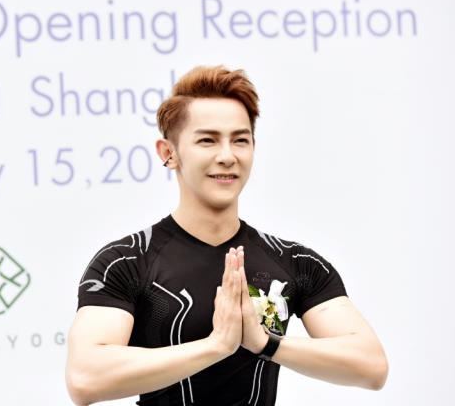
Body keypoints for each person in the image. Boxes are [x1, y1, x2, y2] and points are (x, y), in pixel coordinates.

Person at [65, 65, 388, 406]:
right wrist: (216, 345)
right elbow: (85, 379)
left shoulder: (295, 262)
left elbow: (371, 366)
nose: (227, 156)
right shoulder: (127, 261)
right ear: (168, 153)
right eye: (207, 140)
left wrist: (265, 344)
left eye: (240, 140)